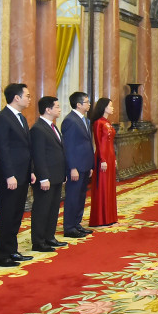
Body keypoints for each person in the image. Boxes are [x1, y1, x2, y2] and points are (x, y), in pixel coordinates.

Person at [0, 83, 35, 267]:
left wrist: (31, 170)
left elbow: (26, 148)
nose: (29, 98)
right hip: (9, 176)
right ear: (16, 98)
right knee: (8, 214)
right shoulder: (2, 118)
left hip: (22, 174)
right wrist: (9, 174)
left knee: (17, 214)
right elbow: (2, 148)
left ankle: (12, 250)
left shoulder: (21, 118)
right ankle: (1, 256)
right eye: (27, 95)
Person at [29, 96, 68, 252]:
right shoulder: (38, 129)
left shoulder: (52, 126)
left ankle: (49, 237)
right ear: (48, 109)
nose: (59, 109)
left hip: (56, 175)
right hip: (45, 177)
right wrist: (43, 177)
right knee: (42, 209)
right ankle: (38, 241)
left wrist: (63, 172)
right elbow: (38, 155)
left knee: (53, 208)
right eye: (57, 107)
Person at [61, 92, 95, 239]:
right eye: (86, 102)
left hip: (85, 164)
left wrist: (91, 165)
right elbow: (68, 146)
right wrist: (72, 167)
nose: (89, 104)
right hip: (75, 167)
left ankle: (77, 224)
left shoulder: (85, 120)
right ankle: (69, 227)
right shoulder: (70, 120)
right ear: (79, 104)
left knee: (81, 196)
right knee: (73, 197)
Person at [89, 97, 118, 227]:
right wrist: (103, 159)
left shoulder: (108, 122)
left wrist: (114, 158)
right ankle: (101, 219)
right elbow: (99, 143)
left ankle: (110, 217)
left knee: (110, 187)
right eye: (110, 105)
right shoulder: (98, 123)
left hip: (110, 157)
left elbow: (110, 143)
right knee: (102, 187)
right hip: (103, 158)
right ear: (104, 107)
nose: (112, 108)